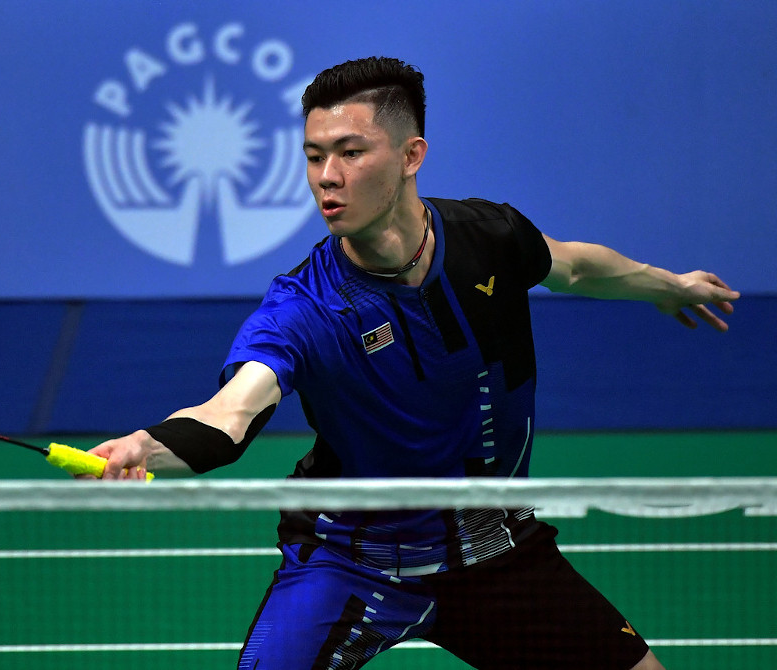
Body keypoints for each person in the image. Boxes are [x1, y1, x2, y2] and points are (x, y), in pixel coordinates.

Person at [83, 57, 739, 670]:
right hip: (349, 562)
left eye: (350, 152)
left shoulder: (489, 237)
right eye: (314, 157)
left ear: (410, 155)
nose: (326, 178)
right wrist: (146, 444)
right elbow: (229, 416)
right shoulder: (303, 307)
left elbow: (572, 265)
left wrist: (667, 284)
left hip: (494, 551)